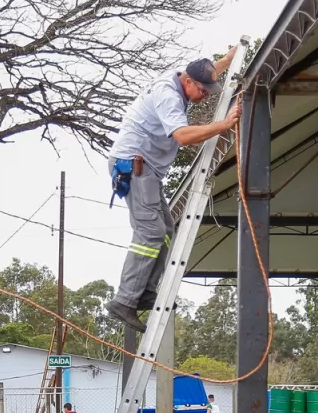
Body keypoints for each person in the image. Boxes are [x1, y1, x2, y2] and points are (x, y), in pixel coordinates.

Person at [103, 47, 244, 332]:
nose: (205, 95)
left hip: (147, 168)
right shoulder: (168, 95)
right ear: (188, 82)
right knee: (150, 232)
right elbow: (182, 136)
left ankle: (145, 292)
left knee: (166, 229)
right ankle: (124, 300)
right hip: (134, 165)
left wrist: (228, 60)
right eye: (203, 91)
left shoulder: (185, 77)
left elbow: (208, 71)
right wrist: (224, 124)